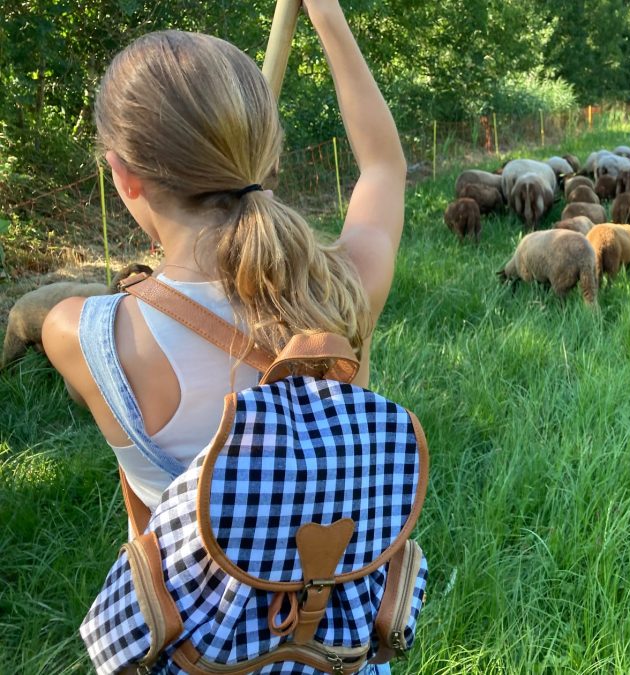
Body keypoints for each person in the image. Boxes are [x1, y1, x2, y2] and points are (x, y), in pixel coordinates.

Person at [42, 5, 403, 670]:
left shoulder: (82, 332)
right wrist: (327, 14)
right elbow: (384, 167)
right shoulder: (343, 292)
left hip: (197, 651)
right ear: (268, 154)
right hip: (332, 650)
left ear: (123, 175)